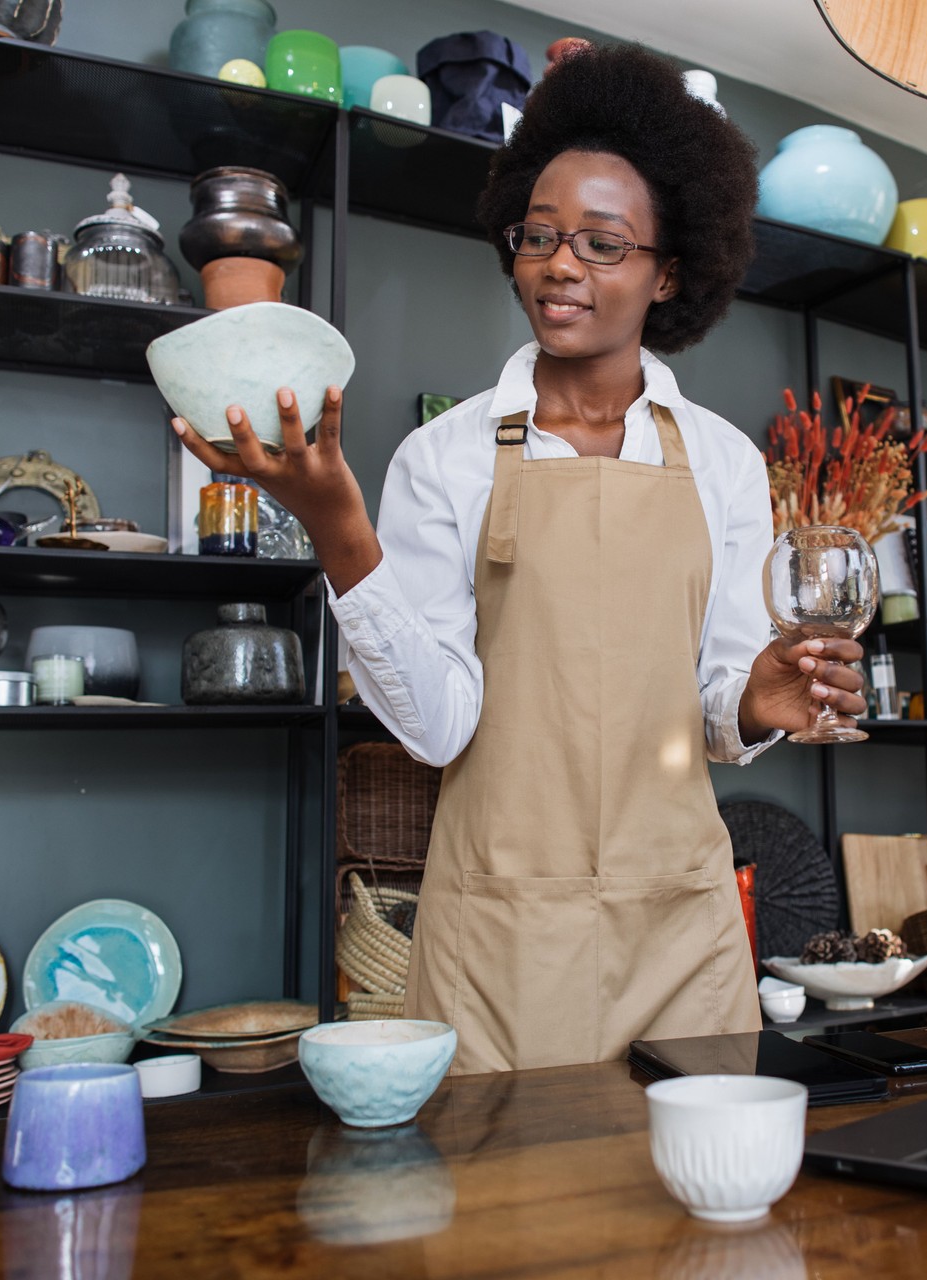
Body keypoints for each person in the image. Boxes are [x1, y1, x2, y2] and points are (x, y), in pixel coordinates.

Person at [173, 43, 866, 1074]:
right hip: (496, 932)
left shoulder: (722, 461)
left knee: (690, 1221)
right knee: (495, 1225)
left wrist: (759, 698)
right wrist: (340, 535)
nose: (559, 265)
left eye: (602, 242)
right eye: (538, 235)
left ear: (669, 268)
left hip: (680, 931)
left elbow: (715, 709)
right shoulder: (441, 458)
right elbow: (439, 725)